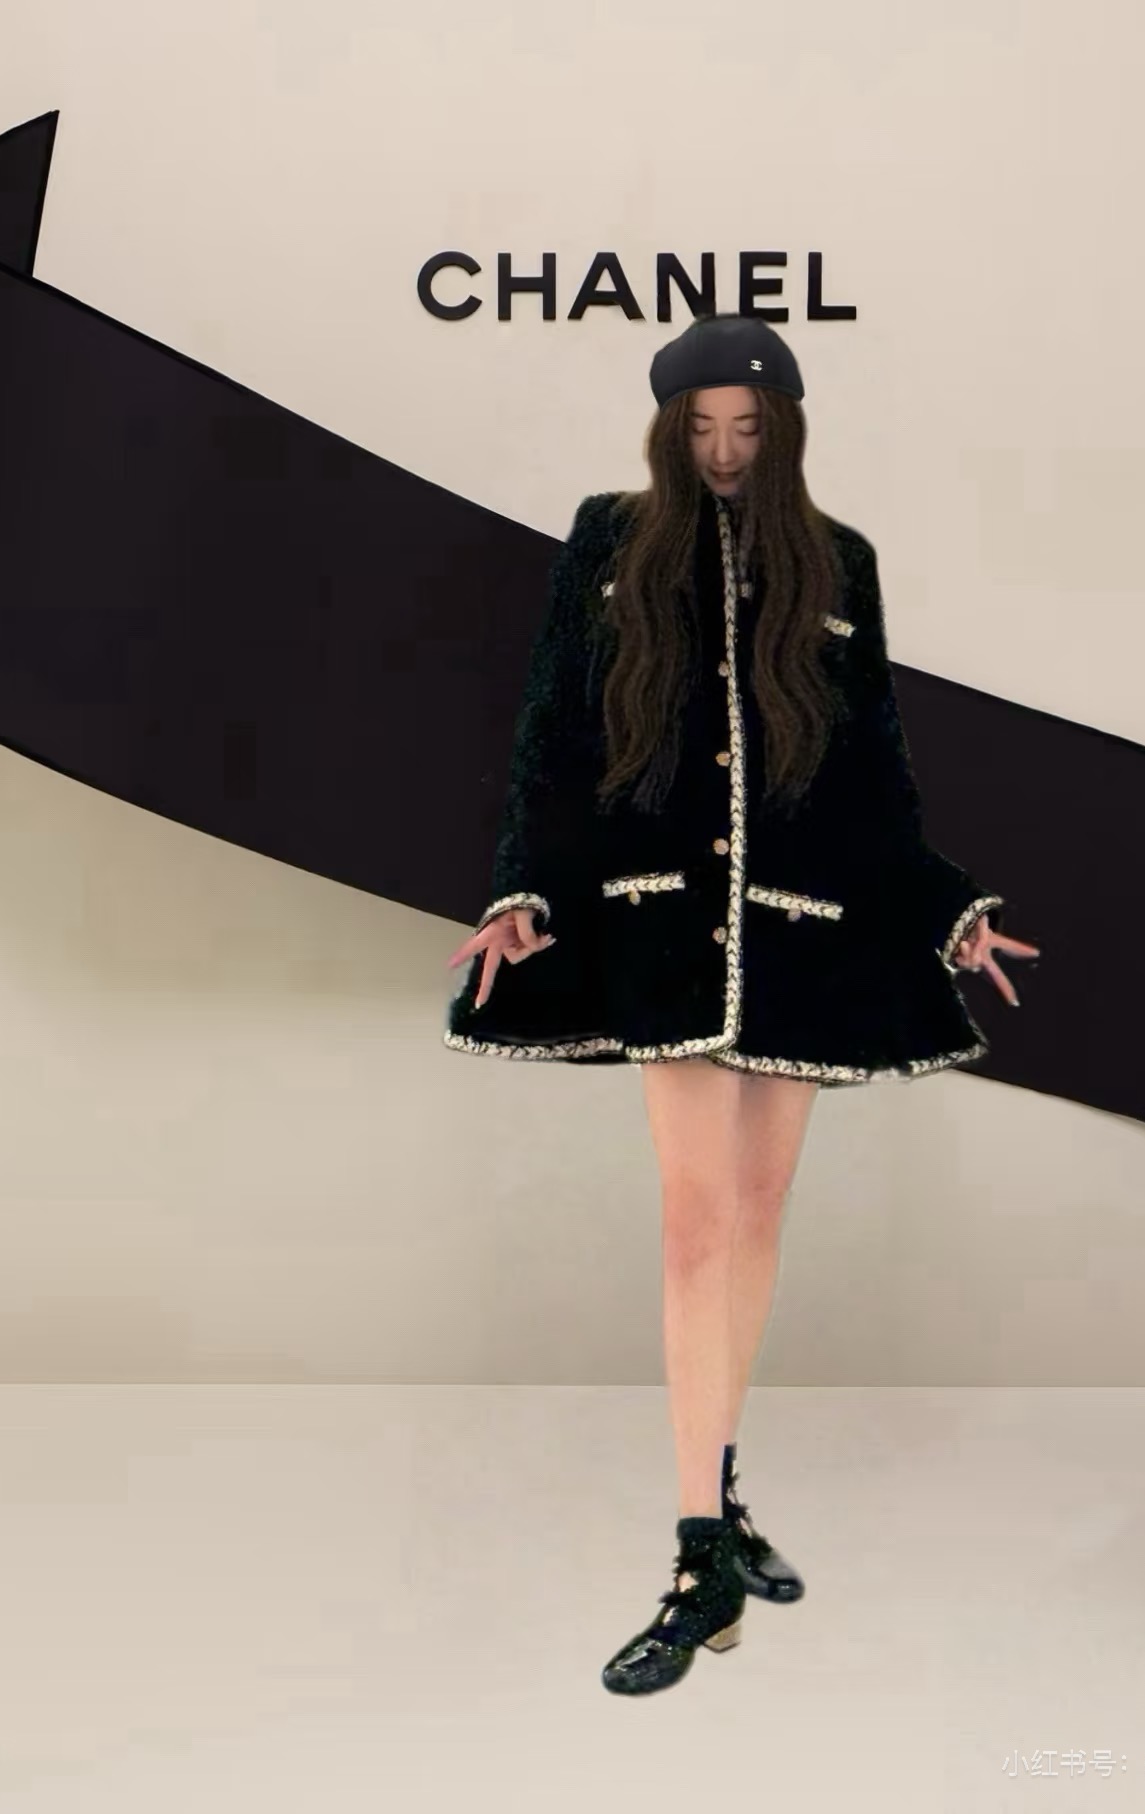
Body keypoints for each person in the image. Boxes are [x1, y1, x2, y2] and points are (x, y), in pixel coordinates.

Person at [445, 312, 1040, 1695]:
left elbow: (874, 775)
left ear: (784, 430)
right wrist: (523, 885)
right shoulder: (608, 540)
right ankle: (697, 1554)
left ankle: (720, 1481)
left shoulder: (839, 562)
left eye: (747, 429)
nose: (723, 452)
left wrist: (949, 908)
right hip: (664, 935)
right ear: (670, 431)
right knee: (696, 1223)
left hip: (805, 941)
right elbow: (552, 732)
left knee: (756, 1219)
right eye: (702, 428)